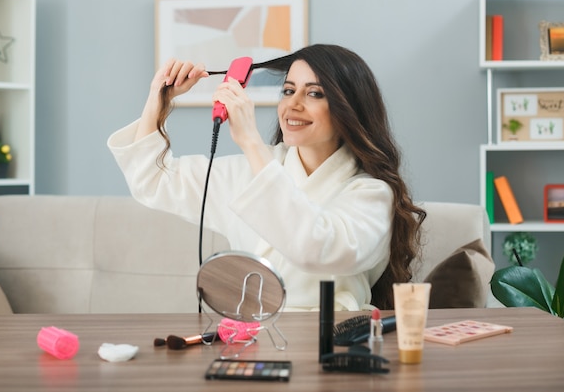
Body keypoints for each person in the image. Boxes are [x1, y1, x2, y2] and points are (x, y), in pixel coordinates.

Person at [108, 44, 426, 311]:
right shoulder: (249, 171)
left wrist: (250, 141)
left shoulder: (370, 194)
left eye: (314, 93)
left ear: (348, 108)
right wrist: (159, 104)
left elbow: (317, 249)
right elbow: (153, 180)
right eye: (288, 90)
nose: (293, 104)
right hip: (256, 338)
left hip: (335, 341)